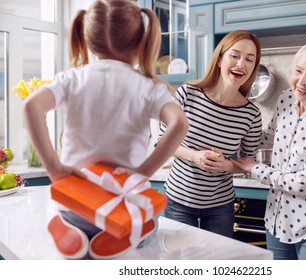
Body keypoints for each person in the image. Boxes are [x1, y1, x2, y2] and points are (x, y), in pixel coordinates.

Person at [23, 0, 188, 259]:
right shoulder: (149, 88)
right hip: (121, 210)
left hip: (74, 206)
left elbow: (31, 106)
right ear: (140, 43)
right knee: (151, 221)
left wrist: (54, 167)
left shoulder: (73, 78)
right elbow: (180, 124)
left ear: (89, 42)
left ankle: (69, 229)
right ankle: (121, 236)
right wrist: (142, 172)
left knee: (77, 217)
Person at [232, 42, 306, 260]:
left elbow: (302, 183)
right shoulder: (286, 98)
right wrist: (229, 137)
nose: (302, 82)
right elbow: (267, 137)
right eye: (298, 71)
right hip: (276, 221)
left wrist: (254, 169)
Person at [158, 30, 262, 237]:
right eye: (235, 55)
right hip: (178, 200)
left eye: (249, 59)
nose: (241, 64)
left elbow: (246, 162)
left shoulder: (251, 114)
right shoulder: (187, 94)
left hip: (220, 208)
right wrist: (194, 156)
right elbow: (162, 141)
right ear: (220, 59)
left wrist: (224, 165)